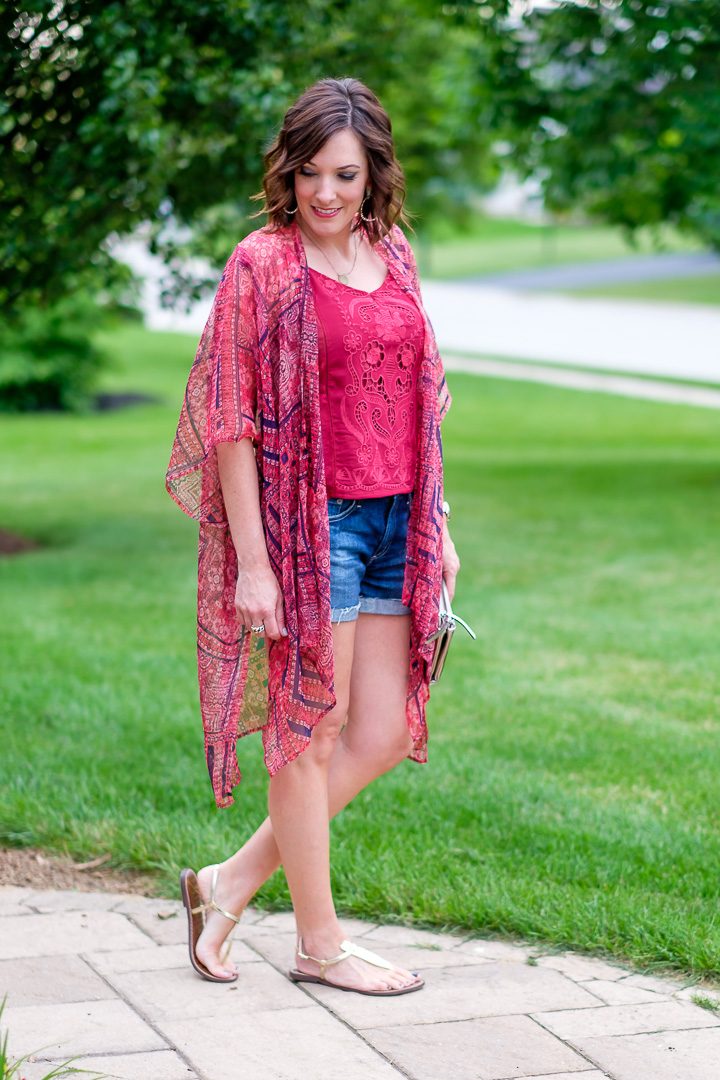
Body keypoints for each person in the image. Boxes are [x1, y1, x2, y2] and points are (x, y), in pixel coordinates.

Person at [166, 76, 460, 997]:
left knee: (376, 733)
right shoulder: (263, 263)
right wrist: (254, 564)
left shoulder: (396, 252)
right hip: (310, 527)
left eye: (345, 175)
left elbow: (422, 398)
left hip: (395, 517)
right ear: (286, 173)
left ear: (375, 174)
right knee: (311, 730)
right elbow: (230, 419)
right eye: (308, 174)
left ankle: (228, 882)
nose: (326, 194)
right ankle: (318, 945)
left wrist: (440, 526)